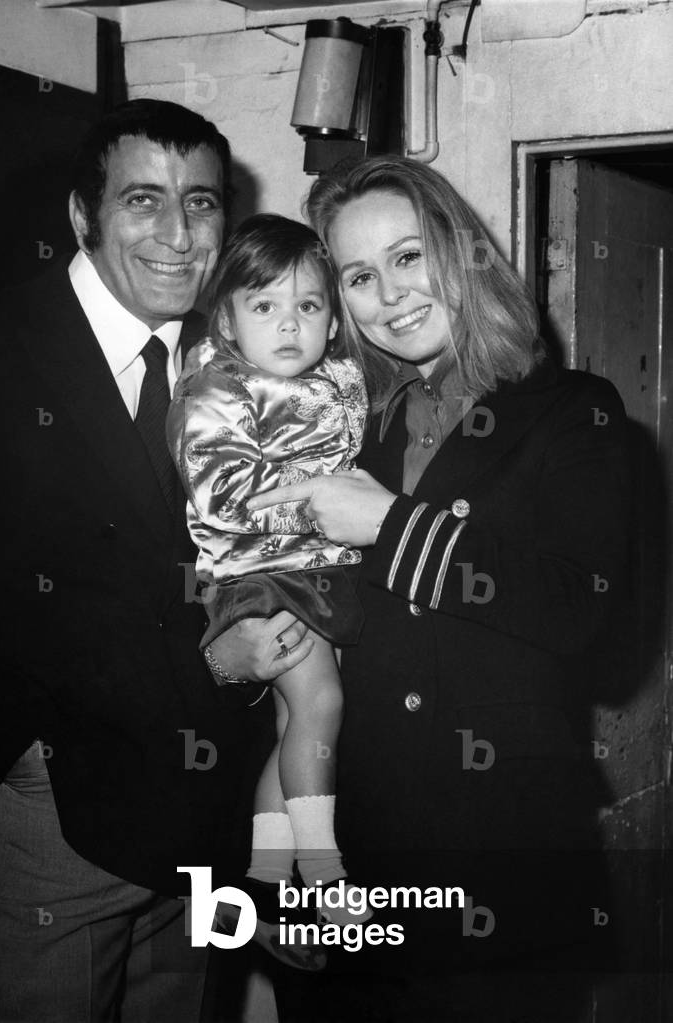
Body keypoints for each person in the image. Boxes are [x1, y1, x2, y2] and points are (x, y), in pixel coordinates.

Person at [0, 99, 309, 1023]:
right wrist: (11, 757)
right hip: (57, 819)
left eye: (201, 203)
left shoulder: (239, 360)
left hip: (204, 809)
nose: (178, 234)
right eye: (142, 200)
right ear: (83, 214)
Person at [239, 156, 631, 1022]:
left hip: (501, 854)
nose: (389, 295)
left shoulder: (573, 410)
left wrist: (390, 524)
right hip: (350, 855)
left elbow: (584, 610)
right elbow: (298, 633)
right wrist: (242, 655)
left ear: (461, 254)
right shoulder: (346, 425)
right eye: (359, 276)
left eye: (408, 257)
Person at [167, 214, 371, 965]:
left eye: (308, 305)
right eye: (264, 305)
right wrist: (331, 504)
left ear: (333, 319)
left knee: (295, 734)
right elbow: (223, 496)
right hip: (260, 575)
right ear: (226, 320)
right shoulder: (219, 389)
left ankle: (263, 879)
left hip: (320, 570)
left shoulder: (335, 379)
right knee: (323, 703)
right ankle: (323, 869)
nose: (290, 323)